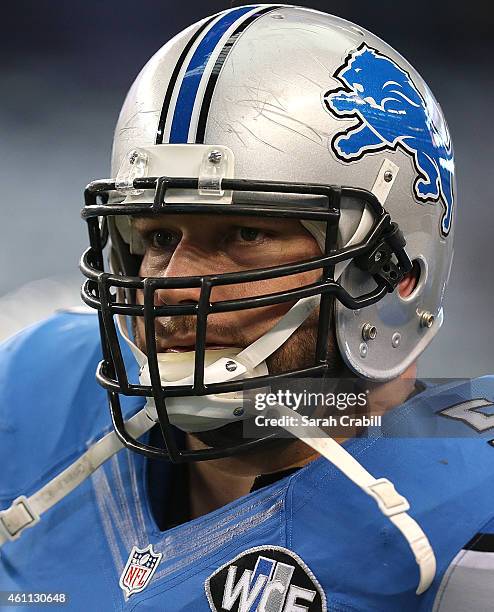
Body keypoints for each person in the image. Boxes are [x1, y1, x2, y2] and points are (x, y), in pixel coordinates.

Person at [1, 4, 493, 611]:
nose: (174, 285)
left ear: (399, 275)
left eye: (243, 234)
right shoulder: (33, 392)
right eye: (157, 238)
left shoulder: (469, 528)